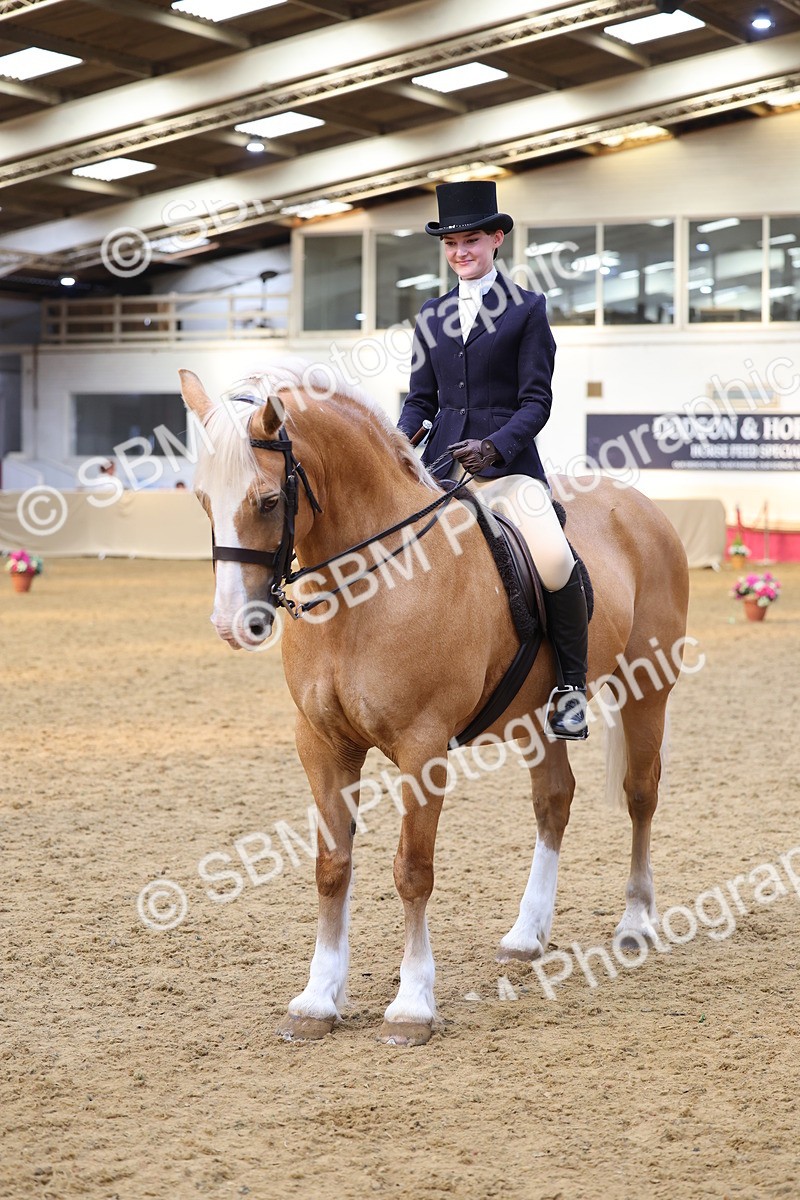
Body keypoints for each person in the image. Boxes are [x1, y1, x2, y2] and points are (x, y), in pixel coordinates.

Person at [397, 180, 589, 741]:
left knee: (554, 559)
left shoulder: (528, 310)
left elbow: (538, 401)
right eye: (452, 242)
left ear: (497, 239)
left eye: (472, 240)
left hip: (506, 470)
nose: (461, 251)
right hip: (440, 472)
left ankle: (570, 688)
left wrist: (495, 446)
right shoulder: (430, 315)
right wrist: (397, 444)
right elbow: (420, 401)